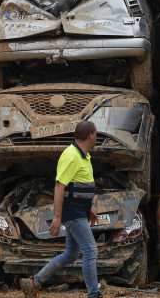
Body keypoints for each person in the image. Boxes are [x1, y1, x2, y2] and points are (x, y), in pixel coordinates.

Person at [21, 120, 101, 298]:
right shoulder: (71, 155)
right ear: (90, 135)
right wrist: (57, 217)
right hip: (73, 212)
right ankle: (94, 294)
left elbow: (78, 188)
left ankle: (34, 283)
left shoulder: (83, 156)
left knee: (72, 253)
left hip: (79, 210)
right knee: (90, 250)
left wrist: (89, 209)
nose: (97, 136)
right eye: (96, 133)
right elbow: (59, 186)